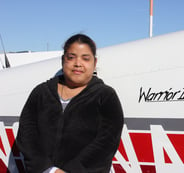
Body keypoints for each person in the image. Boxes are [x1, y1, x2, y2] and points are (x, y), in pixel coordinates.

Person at [16, 34, 124, 173]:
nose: (78, 63)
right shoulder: (41, 92)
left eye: (85, 58)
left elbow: (107, 141)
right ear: (63, 60)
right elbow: (27, 134)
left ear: (94, 63)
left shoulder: (106, 96)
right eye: (71, 57)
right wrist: (48, 169)